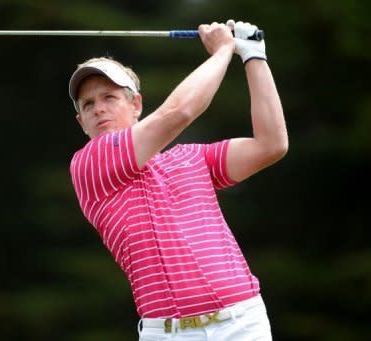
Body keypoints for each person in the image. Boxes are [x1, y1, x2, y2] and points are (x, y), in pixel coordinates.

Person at [68, 19, 287, 340]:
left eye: (109, 97)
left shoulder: (192, 157)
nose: (99, 109)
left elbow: (271, 145)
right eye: (88, 104)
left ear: (136, 104)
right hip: (168, 333)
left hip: (244, 323)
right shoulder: (90, 164)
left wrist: (253, 56)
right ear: (81, 122)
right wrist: (224, 50)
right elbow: (180, 112)